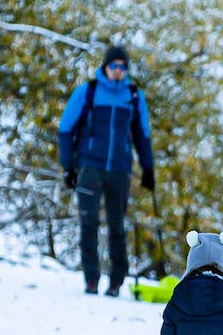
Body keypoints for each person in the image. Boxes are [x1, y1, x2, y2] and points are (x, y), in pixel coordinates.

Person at [57, 44, 154, 297]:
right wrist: (68, 166)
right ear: (105, 66)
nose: (118, 71)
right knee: (88, 223)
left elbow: (143, 135)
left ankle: (116, 282)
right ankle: (91, 279)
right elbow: (65, 129)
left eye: (123, 67)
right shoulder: (87, 92)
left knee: (117, 227)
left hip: (120, 170)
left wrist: (148, 169)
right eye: (114, 66)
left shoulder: (133, 96)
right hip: (90, 167)